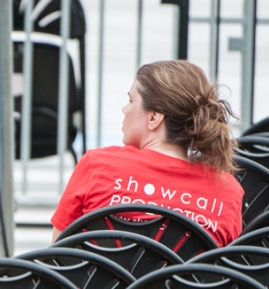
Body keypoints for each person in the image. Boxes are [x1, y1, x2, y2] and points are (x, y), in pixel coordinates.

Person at [51, 60, 244, 247]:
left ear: (154, 117)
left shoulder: (97, 166)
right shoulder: (227, 193)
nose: (124, 109)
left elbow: (57, 257)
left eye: (130, 100)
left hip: (97, 281)